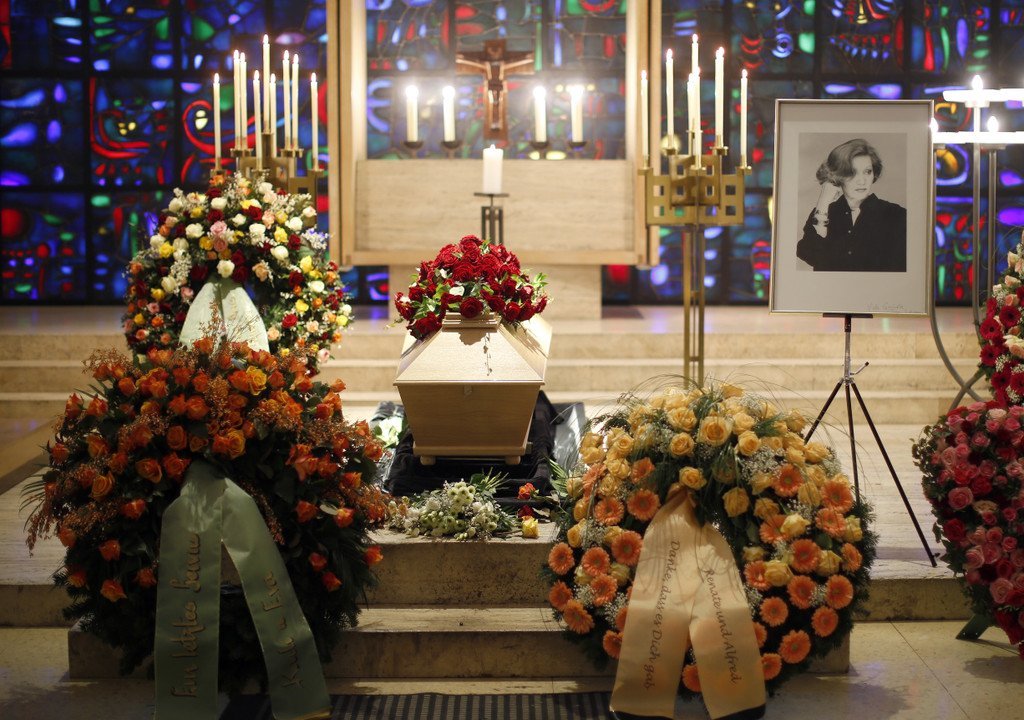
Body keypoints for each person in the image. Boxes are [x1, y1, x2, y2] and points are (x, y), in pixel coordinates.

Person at [796, 138, 906, 272]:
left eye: (867, 171)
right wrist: (824, 200)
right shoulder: (823, 211)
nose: (862, 181)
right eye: (852, 173)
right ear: (838, 176)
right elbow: (809, 253)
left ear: (874, 174)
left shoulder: (896, 215)